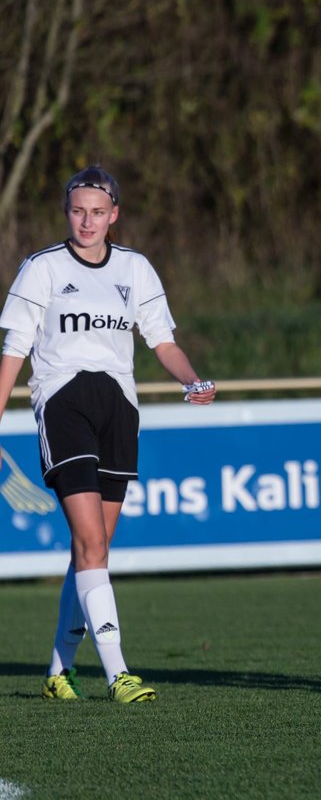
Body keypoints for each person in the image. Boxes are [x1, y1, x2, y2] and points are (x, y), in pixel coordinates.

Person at [0, 165, 216, 704]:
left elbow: (162, 340)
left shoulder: (135, 269)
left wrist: (191, 380)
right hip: (63, 403)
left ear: (114, 214)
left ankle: (57, 671)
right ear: (66, 212)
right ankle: (119, 673)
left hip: (119, 409)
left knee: (91, 550)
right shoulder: (42, 269)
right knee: (92, 543)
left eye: (98, 211)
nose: (87, 220)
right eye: (78, 210)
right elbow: (14, 350)